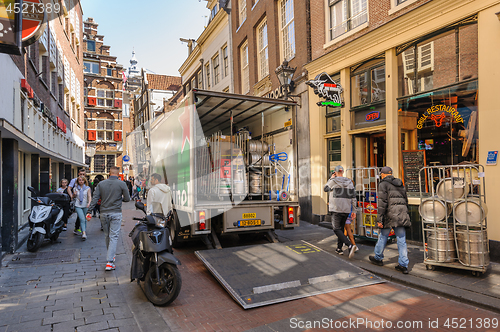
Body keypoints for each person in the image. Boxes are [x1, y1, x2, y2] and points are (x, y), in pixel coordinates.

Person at [86, 166, 130, 271]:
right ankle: (110, 261)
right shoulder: (122, 184)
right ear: (118, 174)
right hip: (116, 213)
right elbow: (127, 199)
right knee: (114, 236)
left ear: (109, 173)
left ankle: (111, 255)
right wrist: (119, 200)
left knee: (107, 236)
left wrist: (89, 211)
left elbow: (95, 198)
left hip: (104, 213)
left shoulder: (101, 184)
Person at [369, 167, 411, 274]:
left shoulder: (383, 184)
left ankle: (378, 258)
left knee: (383, 236)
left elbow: (382, 203)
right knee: (401, 240)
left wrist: (379, 219)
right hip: (401, 213)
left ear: (383, 174)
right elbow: (405, 199)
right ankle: (403, 265)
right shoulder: (399, 183)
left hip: (389, 215)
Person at [324, 165, 357, 258]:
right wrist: (354, 210)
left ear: (335, 172)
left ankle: (350, 245)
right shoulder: (349, 182)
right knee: (341, 228)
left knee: (336, 229)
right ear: (342, 172)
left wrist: (331, 178)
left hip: (336, 209)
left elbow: (325, 188)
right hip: (346, 209)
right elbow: (353, 197)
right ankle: (339, 248)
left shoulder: (333, 181)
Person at [68, 168, 87, 235]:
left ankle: (79, 228)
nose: (82, 175)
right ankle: (79, 229)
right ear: (78, 174)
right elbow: (69, 188)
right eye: (81, 174)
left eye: (83, 174)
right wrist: (71, 196)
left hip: (84, 201)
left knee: (82, 216)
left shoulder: (85, 181)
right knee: (80, 215)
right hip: (77, 201)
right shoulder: (74, 180)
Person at [73, 176, 91, 241]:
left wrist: (89, 203)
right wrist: (74, 194)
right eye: (80, 180)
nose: (81, 181)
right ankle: (83, 233)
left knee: (85, 219)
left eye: (82, 180)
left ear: (84, 181)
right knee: (82, 218)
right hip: (78, 205)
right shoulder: (75, 188)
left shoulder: (87, 188)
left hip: (85, 205)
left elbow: (89, 196)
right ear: (78, 181)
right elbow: (73, 197)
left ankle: (84, 230)